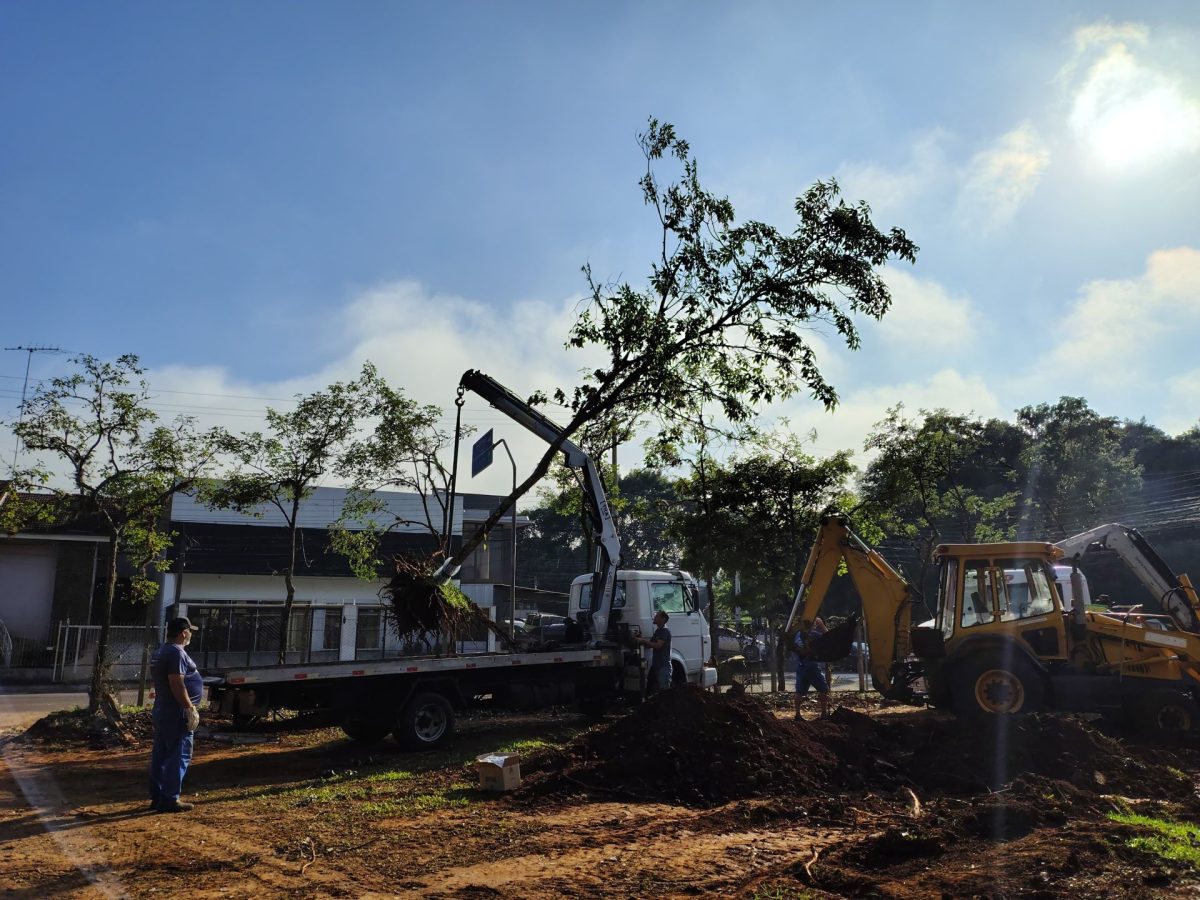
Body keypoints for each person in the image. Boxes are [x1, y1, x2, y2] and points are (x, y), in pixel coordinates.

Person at [149, 616, 203, 813]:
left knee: (161, 754)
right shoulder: (176, 653)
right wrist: (189, 707)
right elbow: (176, 682)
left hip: (163, 708)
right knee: (178, 754)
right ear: (183, 633)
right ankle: (170, 798)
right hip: (176, 711)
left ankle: (158, 796)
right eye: (190, 632)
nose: (190, 635)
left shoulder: (161, 651)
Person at [793, 618, 830, 719]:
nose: (816, 626)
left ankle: (797, 714)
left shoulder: (797, 635)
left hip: (801, 666)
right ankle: (824, 713)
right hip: (812, 665)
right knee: (823, 689)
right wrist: (822, 626)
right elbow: (828, 637)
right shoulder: (813, 635)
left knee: (799, 692)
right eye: (815, 624)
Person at [636, 610, 672, 696]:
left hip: (664, 667)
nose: (654, 617)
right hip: (656, 666)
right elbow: (649, 645)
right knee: (653, 691)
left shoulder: (665, 631)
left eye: (657, 616)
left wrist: (642, 640)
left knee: (663, 694)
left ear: (663, 619)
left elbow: (658, 646)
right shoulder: (658, 631)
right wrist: (639, 639)